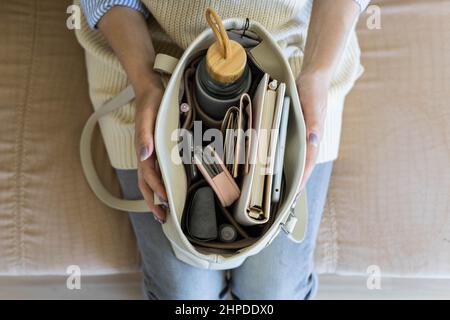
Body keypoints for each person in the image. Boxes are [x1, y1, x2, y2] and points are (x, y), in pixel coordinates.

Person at [75, 0, 369, 299]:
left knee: (273, 293)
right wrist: (145, 83)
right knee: (185, 297)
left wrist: (317, 75)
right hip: (151, 60)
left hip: (294, 60)